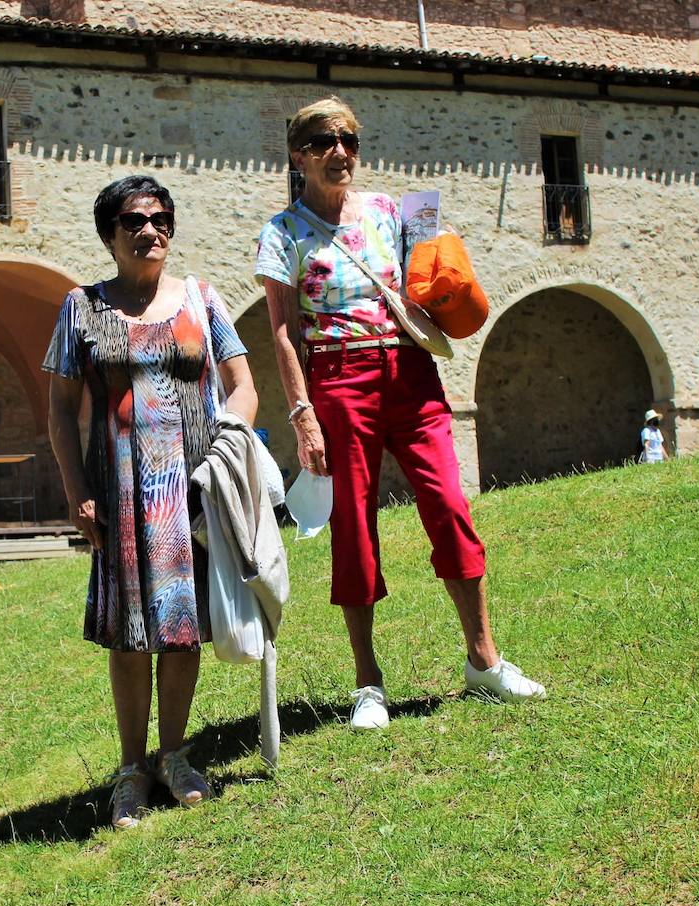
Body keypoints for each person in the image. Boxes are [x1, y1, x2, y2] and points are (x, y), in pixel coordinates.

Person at [255, 97, 545, 730]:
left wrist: (449, 273)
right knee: (353, 528)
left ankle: (484, 661)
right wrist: (302, 411)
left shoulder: (393, 210)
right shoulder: (282, 232)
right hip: (337, 379)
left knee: (449, 505)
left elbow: (429, 279)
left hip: (410, 374)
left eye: (349, 141)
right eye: (325, 142)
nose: (340, 153)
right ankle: (368, 684)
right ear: (300, 156)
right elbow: (281, 331)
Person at [44, 175, 258, 828]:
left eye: (160, 218)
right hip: (123, 500)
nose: (150, 230)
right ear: (110, 233)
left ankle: (175, 756)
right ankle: (132, 771)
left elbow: (243, 386)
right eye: (134, 220)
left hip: (192, 496)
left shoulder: (202, 299)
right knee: (132, 638)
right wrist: (78, 494)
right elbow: (59, 409)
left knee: (184, 631)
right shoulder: (81, 308)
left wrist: (229, 444)